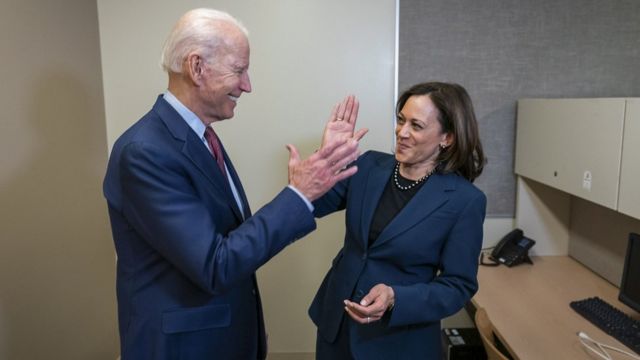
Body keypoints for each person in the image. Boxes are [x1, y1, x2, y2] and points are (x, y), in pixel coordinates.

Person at [103, 8, 364, 360]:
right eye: (239, 70)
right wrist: (298, 194)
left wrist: (312, 181)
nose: (247, 85)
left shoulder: (198, 137)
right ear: (197, 68)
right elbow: (216, 265)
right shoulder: (145, 152)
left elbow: (230, 239)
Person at [309, 82, 487, 359]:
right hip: (337, 325)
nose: (401, 132)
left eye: (416, 126)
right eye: (401, 120)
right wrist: (325, 159)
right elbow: (313, 206)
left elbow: (458, 286)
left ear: (447, 138)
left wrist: (396, 298)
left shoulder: (464, 201)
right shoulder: (368, 165)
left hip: (398, 341)